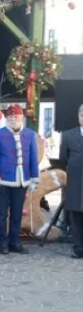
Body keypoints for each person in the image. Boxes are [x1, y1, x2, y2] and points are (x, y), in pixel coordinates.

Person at [0, 105, 39, 255]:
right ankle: (2, 242)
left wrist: (34, 178)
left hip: (23, 179)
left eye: (16, 117)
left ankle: (15, 241)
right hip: (3, 179)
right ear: (7, 118)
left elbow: (33, 158)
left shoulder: (30, 135)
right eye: (10, 117)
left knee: (17, 213)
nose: (13, 119)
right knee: (1, 213)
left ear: (22, 118)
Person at [58, 103, 83, 258]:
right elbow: (63, 158)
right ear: (78, 116)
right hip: (76, 179)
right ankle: (78, 247)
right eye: (82, 115)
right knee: (76, 214)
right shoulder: (68, 135)